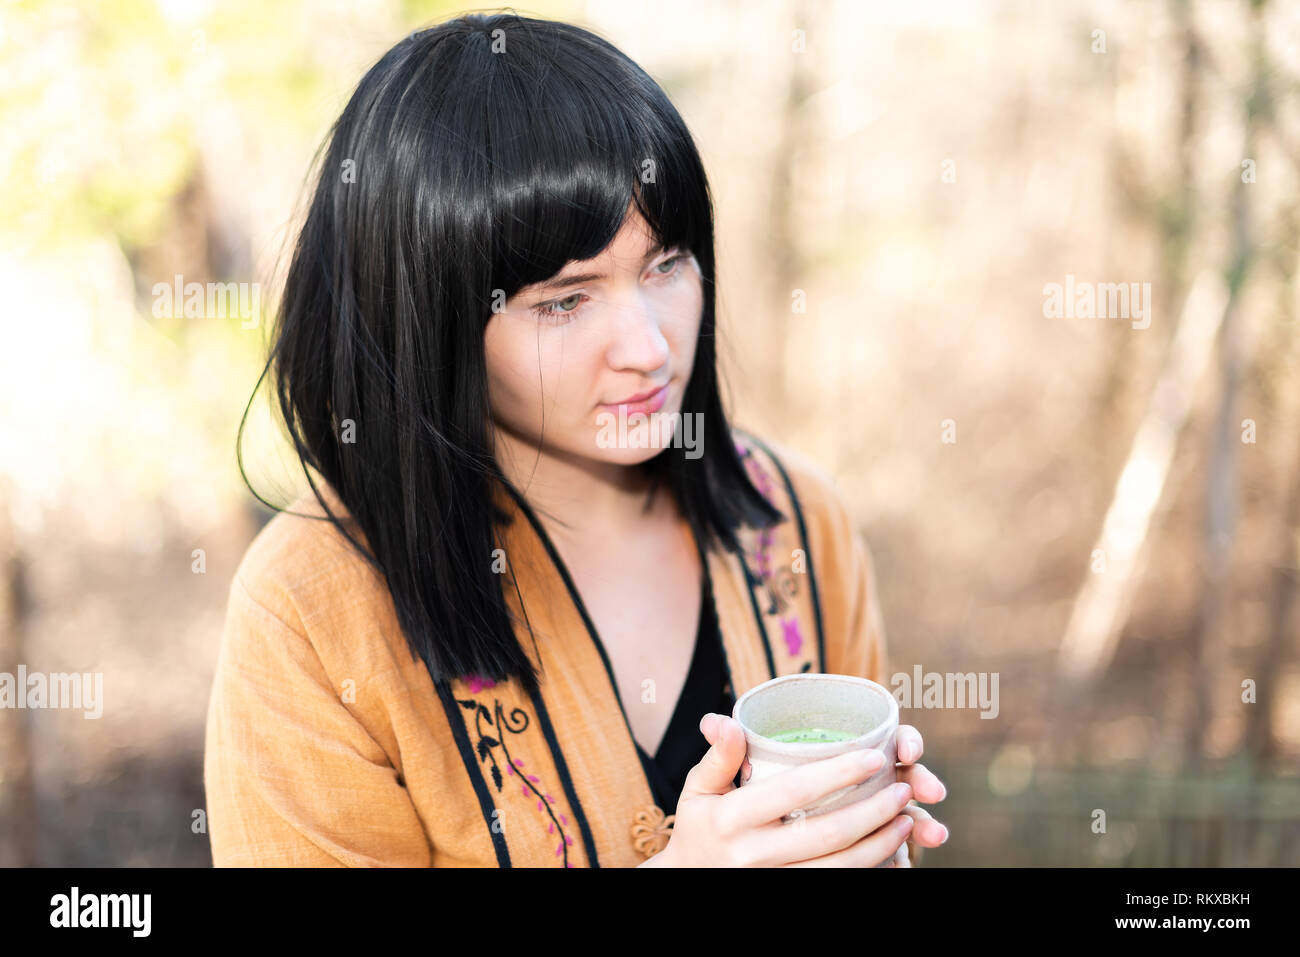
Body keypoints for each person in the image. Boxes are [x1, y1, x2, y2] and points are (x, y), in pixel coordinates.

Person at [204, 11, 948, 867]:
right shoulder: (308, 613)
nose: (649, 347)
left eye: (666, 264)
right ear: (433, 322)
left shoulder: (795, 522)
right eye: (564, 299)